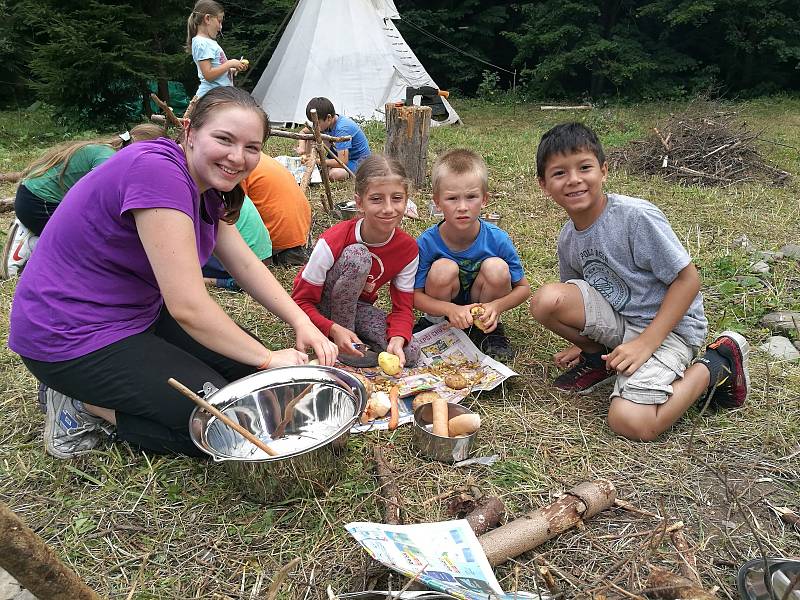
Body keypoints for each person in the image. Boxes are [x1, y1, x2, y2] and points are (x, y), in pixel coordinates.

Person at [8, 87, 338, 459]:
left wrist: (300, 321)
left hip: (136, 316)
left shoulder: (206, 185)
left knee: (260, 388)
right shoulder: (157, 171)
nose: (237, 157)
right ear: (189, 132)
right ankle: (81, 404)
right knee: (228, 427)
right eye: (224, 139)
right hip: (70, 335)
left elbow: (244, 264)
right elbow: (187, 306)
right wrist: (266, 357)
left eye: (251, 147)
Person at [528, 122, 750, 441]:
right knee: (546, 300)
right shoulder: (568, 238)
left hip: (669, 329)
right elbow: (578, 293)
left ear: (603, 171)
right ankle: (597, 359)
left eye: (585, 167)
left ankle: (718, 363)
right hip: (623, 321)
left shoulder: (635, 218)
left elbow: (688, 280)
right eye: (559, 173)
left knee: (631, 421)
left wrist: (646, 343)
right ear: (544, 185)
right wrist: (582, 344)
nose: (574, 179)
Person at [291, 154, 420, 368]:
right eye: (376, 199)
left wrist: (398, 337)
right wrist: (332, 328)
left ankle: (354, 341)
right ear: (359, 202)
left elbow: (403, 307)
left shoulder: (407, 249)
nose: (388, 208)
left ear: (406, 201)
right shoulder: (334, 239)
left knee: (410, 353)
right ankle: (342, 344)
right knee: (358, 256)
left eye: (396, 198)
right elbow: (299, 303)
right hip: (319, 307)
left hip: (357, 307)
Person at [3, 124, 165, 278]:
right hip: (37, 204)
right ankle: (31, 244)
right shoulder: (108, 158)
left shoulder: (106, 150)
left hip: (32, 197)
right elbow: (103, 198)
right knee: (87, 245)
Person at [413, 149, 530, 360]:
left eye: (471, 197)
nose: (462, 207)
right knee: (443, 268)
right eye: (452, 198)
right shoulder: (427, 242)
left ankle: (487, 328)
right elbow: (414, 295)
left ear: (484, 199)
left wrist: (495, 306)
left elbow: (523, 289)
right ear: (437, 202)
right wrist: (448, 309)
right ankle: (434, 322)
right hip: (445, 306)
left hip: (482, 304)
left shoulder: (498, 239)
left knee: (497, 268)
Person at [240, 152, 311, 266]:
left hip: (279, 241)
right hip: (301, 233)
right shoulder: (261, 159)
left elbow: (236, 212)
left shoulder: (238, 167)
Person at [202, 195, 273, 291]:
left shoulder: (207, 196)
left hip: (243, 267)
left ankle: (209, 280)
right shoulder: (231, 190)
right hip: (264, 258)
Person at [295, 97, 371, 181]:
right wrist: (302, 148)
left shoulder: (342, 129)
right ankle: (310, 163)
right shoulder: (327, 123)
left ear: (329, 118)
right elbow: (303, 132)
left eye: (317, 122)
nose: (315, 125)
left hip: (357, 162)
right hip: (340, 155)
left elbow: (343, 162)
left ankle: (316, 166)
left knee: (335, 174)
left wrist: (316, 161)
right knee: (312, 135)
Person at [186, 0, 248, 99]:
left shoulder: (208, 42)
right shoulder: (202, 43)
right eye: (219, 21)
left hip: (220, 96)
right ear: (207, 19)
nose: (220, 27)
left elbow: (217, 70)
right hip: (211, 98)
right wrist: (230, 63)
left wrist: (232, 69)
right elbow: (208, 75)